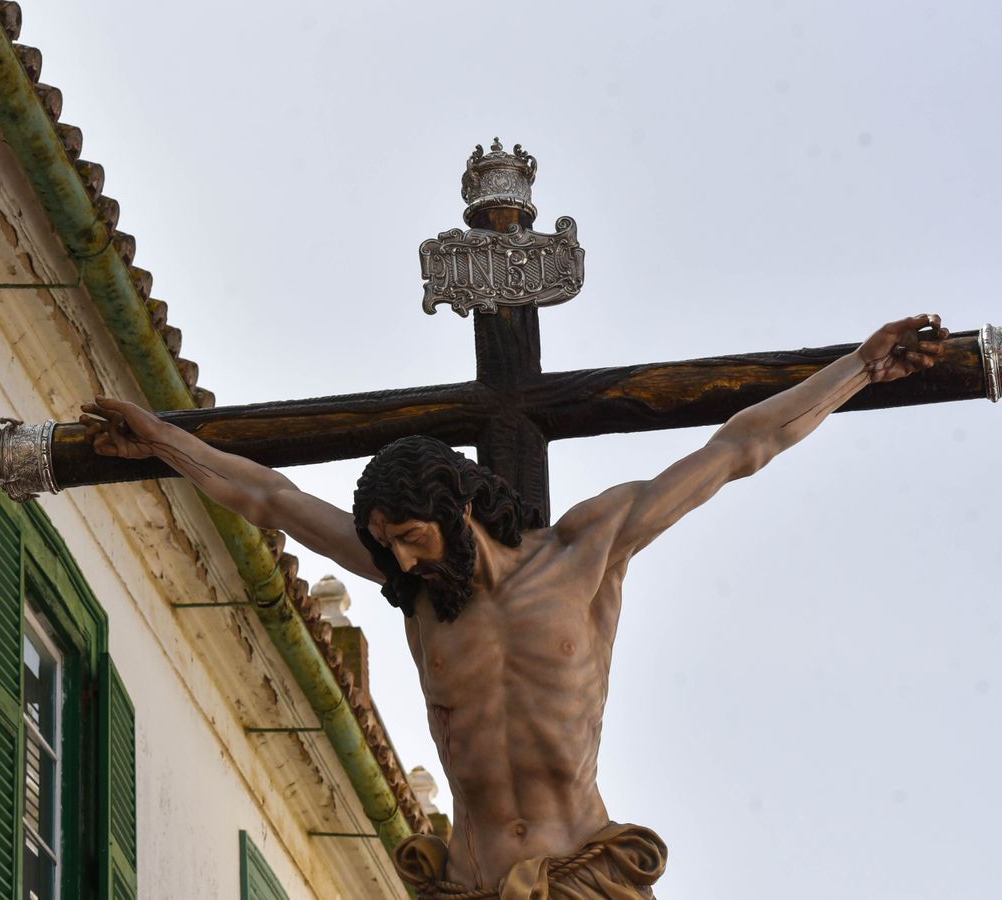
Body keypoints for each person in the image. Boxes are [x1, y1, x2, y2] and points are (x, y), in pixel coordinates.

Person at [80, 314, 949, 898]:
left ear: (457, 508)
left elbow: (738, 448)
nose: (398, 558)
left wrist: (862, 367)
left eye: (412, 536)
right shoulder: (417, 594)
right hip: (465, 880)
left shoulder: (586, 552)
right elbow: (270, 498)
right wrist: (162, 443)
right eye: (385, 543)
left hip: (581, 876)